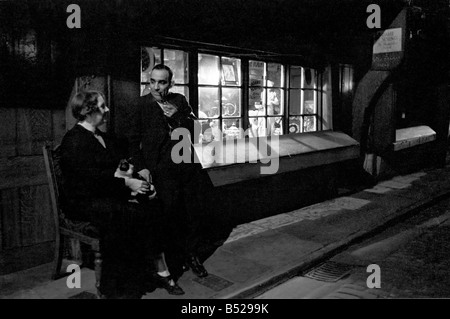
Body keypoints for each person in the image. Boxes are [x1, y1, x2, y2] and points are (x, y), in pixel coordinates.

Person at [60, 90, 184, 298]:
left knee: (155, 205)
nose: (107, 110)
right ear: (86, 111)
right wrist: (127, 184)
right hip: (83, 201)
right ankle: (119, 287)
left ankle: (158, 269)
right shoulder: (74, 140)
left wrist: (142, 185)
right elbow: (88, 182)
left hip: (108, 192)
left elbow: (120, 166)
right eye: (101, 106)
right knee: (127, 214)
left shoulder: (104, 137)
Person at [129, 64, 210, 278]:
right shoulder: (141, 105)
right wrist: (142, 168)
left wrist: (178, 117)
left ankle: (192, 255)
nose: (156, 86)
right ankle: (175, 259)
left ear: (170, 83)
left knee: (196, 211)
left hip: (188, 165)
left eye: (162, 82)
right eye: (153, 81)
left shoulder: (179, 100)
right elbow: (132, 141)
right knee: (170, 215)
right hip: (162, 169)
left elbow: (197, 130)